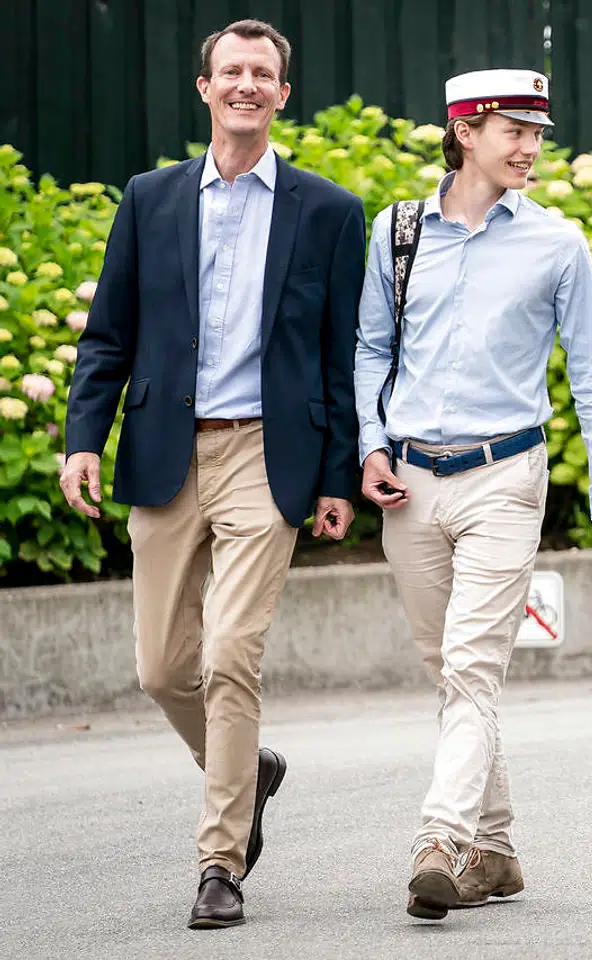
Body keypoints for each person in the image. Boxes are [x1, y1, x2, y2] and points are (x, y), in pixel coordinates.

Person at [60, 19, 365, 929]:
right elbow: (108, 333)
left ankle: (219, 862)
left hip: (267, 454)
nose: (244, 85)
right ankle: (252, 768)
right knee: (162, 668)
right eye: (229, 71)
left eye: (261, 73)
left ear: (281, 92)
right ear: (204, 89)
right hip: (163, 447)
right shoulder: (150, 199)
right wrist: (85, 434)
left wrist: (338, 478)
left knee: (232, 653)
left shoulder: (327, 210)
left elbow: (341, 356)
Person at [353, 68, 592, 921]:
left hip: (507, 477)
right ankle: (499, 852)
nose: (531, 148)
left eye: (539, 133)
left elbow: (590, 375)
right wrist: (369, 447)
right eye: (515, 130)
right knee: (450, 673)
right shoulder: (397, 234)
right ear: (465, 131)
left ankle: (439, 840)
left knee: (473, 666)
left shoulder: (558, 243)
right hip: (410, 486)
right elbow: (369, 350)